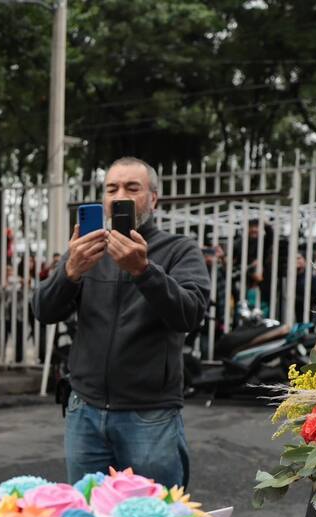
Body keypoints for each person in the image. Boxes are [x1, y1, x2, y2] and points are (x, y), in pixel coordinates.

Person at [32, 156, 209, 489]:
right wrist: (70, 272)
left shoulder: (178, 250)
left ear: (153, 198)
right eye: (111, 188)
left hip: (150, 415)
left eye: (132, 187)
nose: (119, 196)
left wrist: (144, 271)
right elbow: (43, 310)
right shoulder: (86, 251)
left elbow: (191, 314)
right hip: (84, 410)